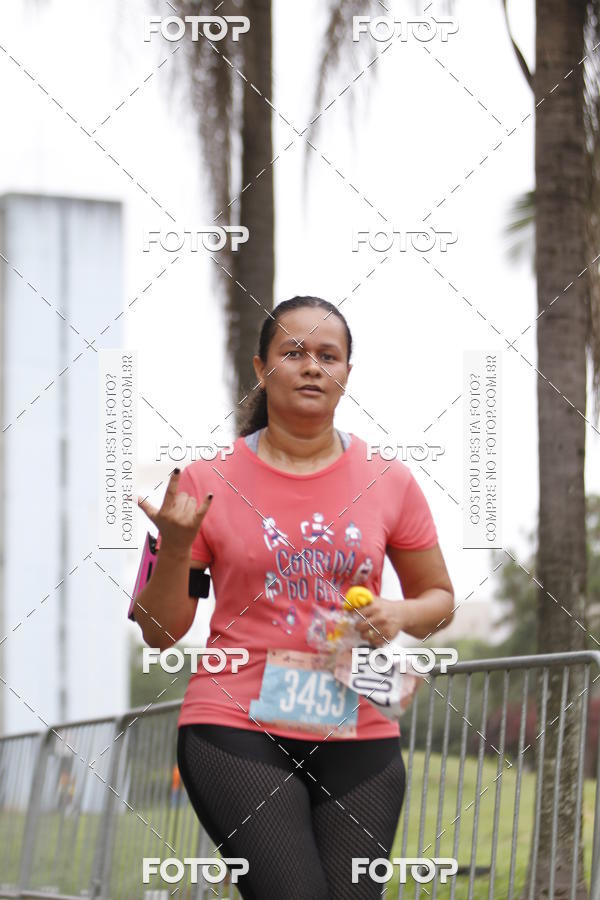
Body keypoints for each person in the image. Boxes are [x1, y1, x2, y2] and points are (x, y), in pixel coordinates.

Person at [135, 296, 455, 899]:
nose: (312, 366)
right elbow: (160, 631)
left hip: (357, 725)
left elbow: (438, 599)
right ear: (262, 368)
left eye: (327, 355)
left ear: (346, 376)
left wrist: (398, 614)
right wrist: (175, 546)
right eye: (294, 352)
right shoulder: (207, 480)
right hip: (236, 723)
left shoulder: (390, 479)